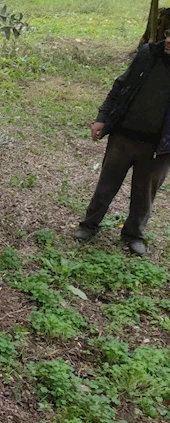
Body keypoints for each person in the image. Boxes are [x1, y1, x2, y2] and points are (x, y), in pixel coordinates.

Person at [74, 31, 170, 256]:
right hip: (124, 136)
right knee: (106, 185)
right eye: (169, 34)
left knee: (144, 193)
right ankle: (89, 225)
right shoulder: (148, 54)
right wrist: (102, 118)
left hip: (159, 148)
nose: (169, 41)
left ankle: (133, 234)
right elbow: (121, 85)